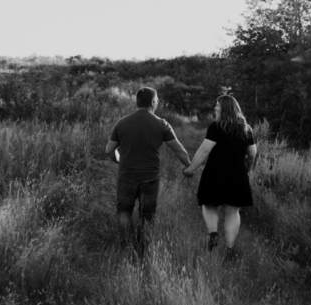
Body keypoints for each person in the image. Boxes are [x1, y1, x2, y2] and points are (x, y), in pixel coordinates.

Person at [105, 87, 191, 252]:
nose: (157, 102)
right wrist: (190, 167)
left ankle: (126, 247)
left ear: (137, 102)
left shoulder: (121, 123)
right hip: (150, 178)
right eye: (156, 100)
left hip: (126, 176)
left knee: (124, 211)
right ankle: (144, 248)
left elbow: (109, 149)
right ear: (152, 102)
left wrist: (118, 160)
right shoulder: (162, 124)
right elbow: (179, 150)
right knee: (148, 214)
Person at [183, 95, 257, 257]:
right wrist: (248, 169)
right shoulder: (246, 129)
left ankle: (213, 234)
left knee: (209, 205)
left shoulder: (216, 127)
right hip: (238, 175)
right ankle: (230, 249)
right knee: (232, 212)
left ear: (225, 108)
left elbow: (204, 150)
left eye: (218, 105)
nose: (215, 108)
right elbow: (252, 153)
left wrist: (190, 169)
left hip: (215, 173)